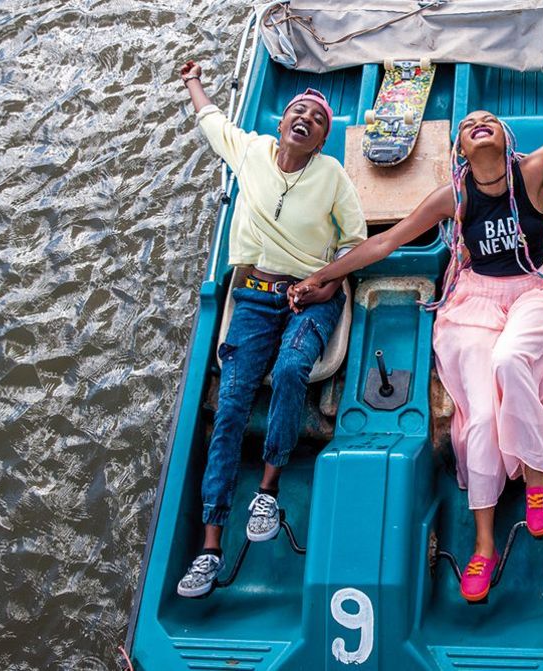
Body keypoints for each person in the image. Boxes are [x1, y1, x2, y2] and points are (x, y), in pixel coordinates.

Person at [290, 29, 543, 602]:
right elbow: (386, 246)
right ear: (460, 150)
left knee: (512, 361)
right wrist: (324, 277)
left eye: (488, 119)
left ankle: (538, 475)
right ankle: (483, 545)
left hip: (534, 290)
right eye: (467, 124)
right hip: (474, 301)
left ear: (506, 140)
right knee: (479, 417)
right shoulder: (453, 197)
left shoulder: (532, 172)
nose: (477, 121)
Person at [174, 60, 366, 598]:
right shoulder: (252, 151)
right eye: (297, 113)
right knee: (232, 403)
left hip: (311, 295)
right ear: (282, 124)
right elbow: (212, 119)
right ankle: (209, 547)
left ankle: (268, 488)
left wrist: (328, 284)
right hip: (254, 298)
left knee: (289, 371)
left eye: (317, 119)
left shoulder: (333, 176)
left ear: (324, 138)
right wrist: (192, 79)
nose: (304, 119)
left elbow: (353, 241)